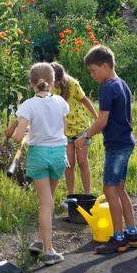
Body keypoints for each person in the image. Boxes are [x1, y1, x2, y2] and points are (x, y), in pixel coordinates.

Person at [75, 45, 137, 254]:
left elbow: (102, 120)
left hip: (116, 145)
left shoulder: (107, 87)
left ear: (104, 66)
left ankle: (118, 238)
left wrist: (85, 136)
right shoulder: (122, 84)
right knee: (120, 189)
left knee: (109, 189)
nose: (92, 75)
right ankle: (132, 234)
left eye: (93, 70)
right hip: (126, 142)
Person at [6, 62, 69, 265]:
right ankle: (41, 241)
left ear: (31, 84)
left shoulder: (28, 105)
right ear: (52, 82)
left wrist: (26, 133)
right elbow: (62, 129)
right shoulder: (61, 102)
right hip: (59, 153)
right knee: (49, 201)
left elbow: (16, 136)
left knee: (44, 203)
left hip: (39, 154)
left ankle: (48, 250)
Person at [51, 62, 98, 195]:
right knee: (69, 164)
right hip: (64, 131)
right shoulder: (50, 87)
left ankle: (87, 194)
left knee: (82, 162)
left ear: (59, 80)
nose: (51, 83)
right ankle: (71, 196)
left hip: (80, 129)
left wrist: (97, 117)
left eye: (53, 81)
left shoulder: (72, 84)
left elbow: (85, 101)